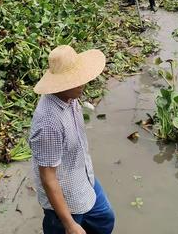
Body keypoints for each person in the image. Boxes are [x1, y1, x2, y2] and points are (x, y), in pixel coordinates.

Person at [29, 45, 115, 234]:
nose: (82, 83)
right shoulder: (48, 123)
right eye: (75, 80)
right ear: (60, 84)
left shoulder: (71, 97)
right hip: (65, 197)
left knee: (105, 220)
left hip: (84, 178)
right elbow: (48, 177)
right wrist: (69, 224)